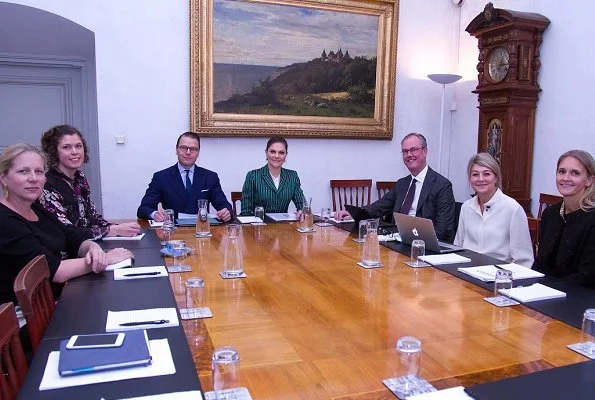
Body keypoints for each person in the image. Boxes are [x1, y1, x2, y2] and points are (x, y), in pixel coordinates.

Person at [0, 144, 132, 305]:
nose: (33, 178)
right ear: (4, 178)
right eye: (23, 171)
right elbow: (55, 271)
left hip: (60, 296)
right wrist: (106, 258)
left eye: (39, 171)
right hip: (30, 316)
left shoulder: (37, 209)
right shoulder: (6, 221)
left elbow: (73, 238)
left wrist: (94, 249)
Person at [335, 132, 455, 241]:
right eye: (405, 151)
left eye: (413, 150)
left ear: (425, 151)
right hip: (396, 240)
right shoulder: (402, 184)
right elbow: (379, 207)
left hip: (422, 244)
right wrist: (356, 213)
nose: (409, 155)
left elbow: (443, 229)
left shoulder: (442, 186)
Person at [39, 125, 141, 240]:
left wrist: (118, 227)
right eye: (66, 147)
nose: (75, 152)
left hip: (88, 244)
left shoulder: (80, 177)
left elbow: (92, 218)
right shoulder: (47, 184)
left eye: (78, 146)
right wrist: (112, 231)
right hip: (67, 254)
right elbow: (65, 231)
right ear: (54, 152)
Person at [454, 153, 534, 267]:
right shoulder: (466, 207)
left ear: (496, 177)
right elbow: (458, 246)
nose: (480, 179)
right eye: (475, 174)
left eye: (486, 174)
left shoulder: (513, 209)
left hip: (499, 277)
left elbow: (524, 261)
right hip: (467, 273)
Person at [137, 132, 232, 222]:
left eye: (193, 149)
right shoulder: (161, 177)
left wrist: (226, 212)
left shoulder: (210, 177)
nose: (188, 152)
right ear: (176, 150)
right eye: (183, 148)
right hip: (173, 232)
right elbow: (144, 208)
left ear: (198, 153)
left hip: (201, 231)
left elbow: (224, 204)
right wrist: (155, 214)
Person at [533, 150, 595, 288]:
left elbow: (587, 276)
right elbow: (541, 263)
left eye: (575, 173)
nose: (566, 178)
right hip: (543, 294)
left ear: (589, 180)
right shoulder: (550, 214)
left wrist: (545, 289)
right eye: (562, 171)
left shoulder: (591, 219)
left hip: (581, 299)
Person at [240, 136, 305, 216]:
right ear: (266, 153)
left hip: (283, 226)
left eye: (281, 152)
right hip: (259, 226)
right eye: (272, 151)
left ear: (286, 155)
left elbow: (302, 203)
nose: (277, 156)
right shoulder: (253, 176)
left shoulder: (292, 176)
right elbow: (245, 212)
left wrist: (302, 211)